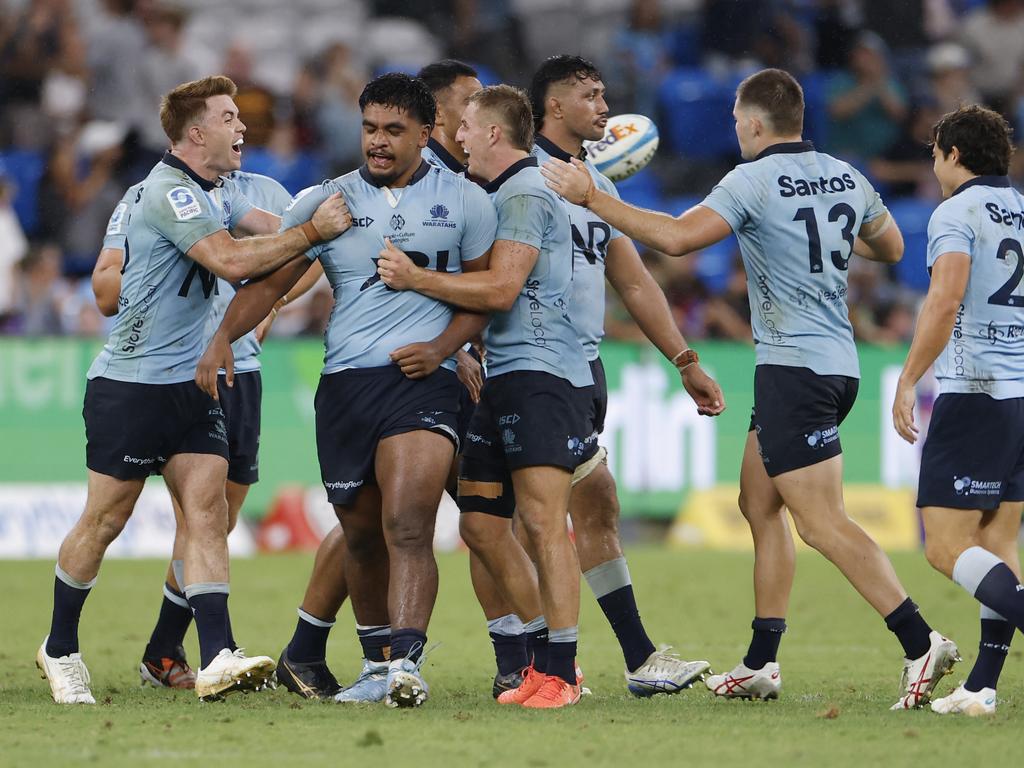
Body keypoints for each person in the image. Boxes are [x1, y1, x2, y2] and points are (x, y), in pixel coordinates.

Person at [541, 67, 958, 710]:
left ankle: (918, 639)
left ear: (756, 123)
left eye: (737, 121)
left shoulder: (752, 179)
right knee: (758, 502)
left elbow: (679, 240)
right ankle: (762, 660)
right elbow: (890, 244)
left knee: (820, 523)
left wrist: (594, 197)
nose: (734, 131)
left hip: (796, 368)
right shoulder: (847, 175)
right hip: (835, 360)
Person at [35, 74, 352, 704]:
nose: (242, 127)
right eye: (229, 117)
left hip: (192, 385)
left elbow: (271, 224)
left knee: (207, 516)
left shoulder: (213, 192)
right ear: (195, 132)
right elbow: (236, 261)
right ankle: (60, 647)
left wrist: (351, 210)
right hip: (132, 386)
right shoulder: (171, 195)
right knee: (104, 520)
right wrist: (315, 232)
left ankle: (215, 655)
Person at [197, 73, 496, 709]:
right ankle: (376, 663)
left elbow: (484, 295)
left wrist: (445, 350)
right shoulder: (325, 202)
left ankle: (408, 664)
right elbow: (270, 286)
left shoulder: (467, 200)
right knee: (361, 535)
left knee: (408, 520)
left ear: (424, 133)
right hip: (344, 388)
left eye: (393, 131)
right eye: (369, 129)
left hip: (423, 380)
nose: (378, 142)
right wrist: (224, 335)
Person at [377, 84, 591, 709]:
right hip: (507, 376)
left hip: (543, 374)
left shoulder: (524, 192)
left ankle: (563, 671)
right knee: (478, 522)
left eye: (466, 126)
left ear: (493, 133)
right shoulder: (502, 193)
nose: (459, 136)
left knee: (546, 522)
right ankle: (537, 658)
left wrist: (417, 278)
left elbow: (500, 290)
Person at [530, 54, 720, 694]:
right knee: (519, 520)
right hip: (530, 369)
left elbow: (634, 281)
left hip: (582, 367)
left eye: (604, 93)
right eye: (590, 95)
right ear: (554, 106)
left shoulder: (595, 187)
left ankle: (618, 659)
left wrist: (684, 360)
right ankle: (553, 658)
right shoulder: (517, 178)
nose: (605, 108)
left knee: (591, 507)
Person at [91, 169, 317, 690]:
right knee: (199, 517)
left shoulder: (261, 193)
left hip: (246, 368)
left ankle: (162, 650)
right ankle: (220, 650)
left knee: (222, 517)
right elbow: (107, 284)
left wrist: (272, 302)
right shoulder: (148, 195)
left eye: (239, 119)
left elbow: (310, 254)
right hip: (185, 370)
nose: (236, 127)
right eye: (226, 117)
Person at [893, 105, 1024, 716]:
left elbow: (944, 301)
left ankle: (984, 685)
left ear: (951, 154)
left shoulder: (956, 212)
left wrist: (908, 378)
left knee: (945, 546)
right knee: (998, 544)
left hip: (978, 390)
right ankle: (982, 688)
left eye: (934, 151)